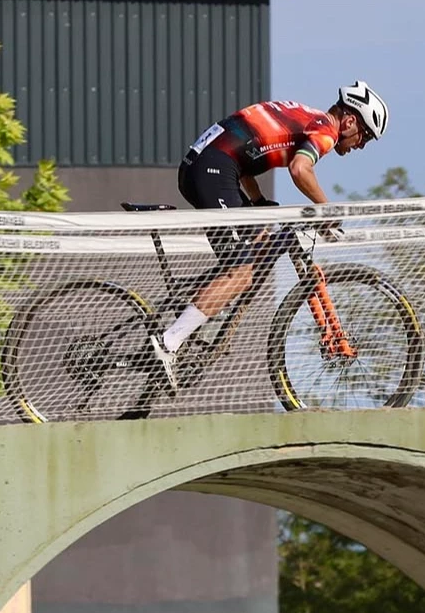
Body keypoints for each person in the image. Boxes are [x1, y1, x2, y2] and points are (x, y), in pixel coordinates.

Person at [150, 81, 389, 390]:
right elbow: (300, 169)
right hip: (213, 168)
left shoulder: (306, 116)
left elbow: (247, 153)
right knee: (240, 273)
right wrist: (327, 211)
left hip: (210, 164)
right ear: (350, 121)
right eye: (365, 136)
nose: (361, 145)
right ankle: (169, 342)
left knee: (260, 240)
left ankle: (201, 305)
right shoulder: (325, 131)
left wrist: (258, 200)